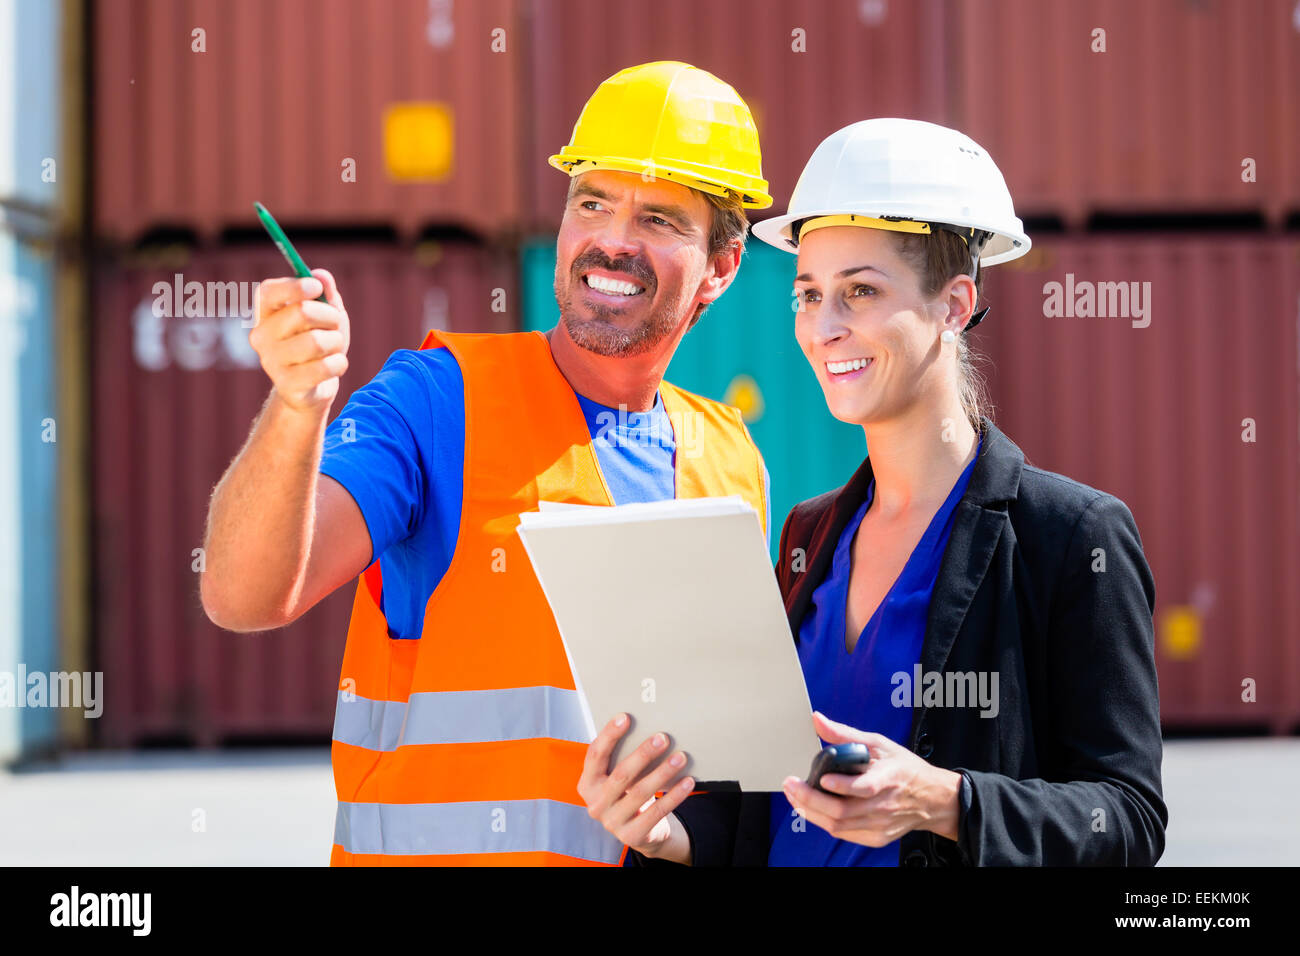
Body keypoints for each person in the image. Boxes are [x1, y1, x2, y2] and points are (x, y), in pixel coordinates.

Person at [198, 61, 776, 866]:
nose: (613, 239)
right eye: (593, 202)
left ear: (721, 266)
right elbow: (245, 595)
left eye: (659, 219)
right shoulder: (435, 402)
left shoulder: (732, 463)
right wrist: (297, 408)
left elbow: (731, 771)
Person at [580, 118, 1167, 866]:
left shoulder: (1070, 537)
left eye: (860, 291)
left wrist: (948, 804)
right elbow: (766, 808)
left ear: (953, 306)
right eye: (808, 294)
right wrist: (666, 835)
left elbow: (1127, 821)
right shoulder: (807, 536)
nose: (824, 327)